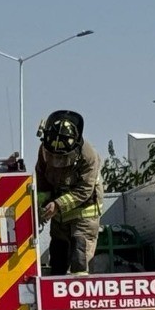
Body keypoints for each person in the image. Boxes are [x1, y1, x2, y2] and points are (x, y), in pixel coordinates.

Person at [35, 109, 103, 275]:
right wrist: (41, 205)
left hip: (84, 214)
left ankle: (78, 297)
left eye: (62, 158)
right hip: (59, 217)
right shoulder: (44, 150)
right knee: (58, 259)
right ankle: (55, 297)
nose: (57, 162)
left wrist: (57, 204)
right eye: (53, 157)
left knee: (79, 260)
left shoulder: (89, 156)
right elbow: (42, 182)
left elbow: (85, 189)